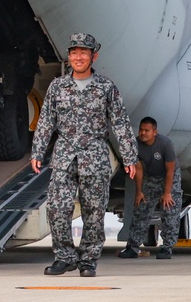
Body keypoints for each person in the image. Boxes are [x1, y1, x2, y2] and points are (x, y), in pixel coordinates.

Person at [31, 32, 139, 278]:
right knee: (57, 209)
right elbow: (46, 121)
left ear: (93, 56)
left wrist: (130, 157)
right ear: (68, 57)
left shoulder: (106, 87)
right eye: (74, 52)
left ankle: (88, 261)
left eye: (83, 52)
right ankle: (65, 257)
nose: (78, 57)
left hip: (95, 155)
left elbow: (120, 123)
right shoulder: (58, 86)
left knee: (94, 211)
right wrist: (37, 151)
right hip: (64, 156)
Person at [118, 116, 183, 260]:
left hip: (169, 177)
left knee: (170, 211)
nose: (142, 133)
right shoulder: (136, 144)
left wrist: (167, 193)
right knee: (141, 209)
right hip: (151, 177)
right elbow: (139, 169)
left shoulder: (165, 144)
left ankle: (167, 248)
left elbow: (170, 170)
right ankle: (133, 247)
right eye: (141, 130)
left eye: (146, 130)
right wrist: (139, 191)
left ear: (154, 131)